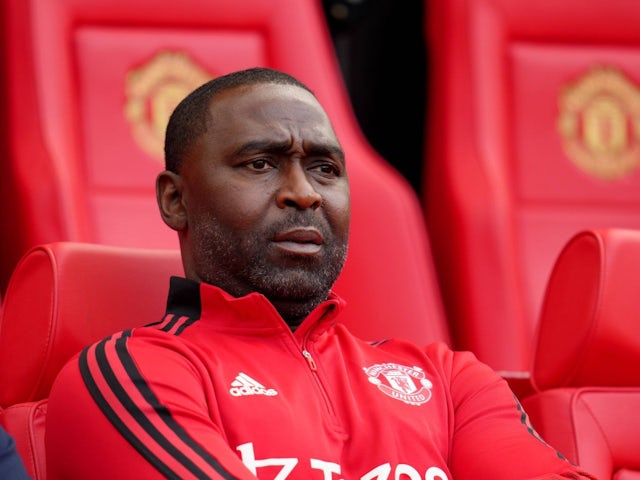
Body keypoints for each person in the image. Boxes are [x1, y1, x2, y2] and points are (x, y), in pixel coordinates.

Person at [45, 67, 596, 479]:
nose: (303, 193)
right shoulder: (128, 374)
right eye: (260, 163)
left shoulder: (450, 382)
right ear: (174, 200)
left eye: (324, 169)